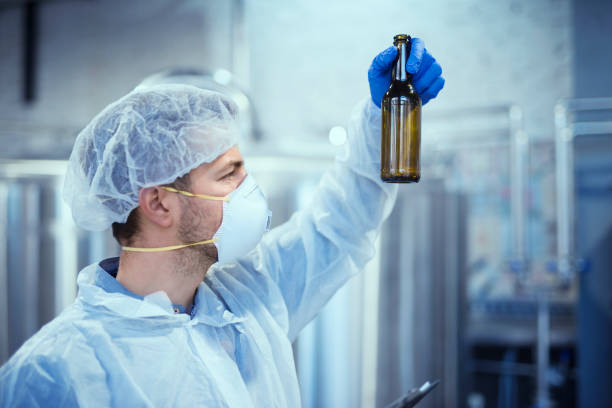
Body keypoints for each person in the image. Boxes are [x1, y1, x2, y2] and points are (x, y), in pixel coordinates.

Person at [0, 38, 444, 407]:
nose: (250, 189)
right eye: (229, 174)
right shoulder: (56, 372)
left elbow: (339, 225)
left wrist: (378, 117)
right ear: (159, 204)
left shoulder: (248, 298)